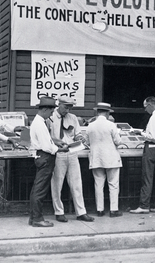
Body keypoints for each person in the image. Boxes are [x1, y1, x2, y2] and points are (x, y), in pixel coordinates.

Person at [49, 95, 94, 223]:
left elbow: (77, 133)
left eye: (70, 108)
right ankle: (59, 211)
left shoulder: (73, 118)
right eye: (65, 107)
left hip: (72, 153)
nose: (67, 110)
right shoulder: (51, 118)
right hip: (58, 153)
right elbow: (47, 136)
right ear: (59, 104)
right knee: (57, 184)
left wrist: (80, 138)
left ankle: (81, 212)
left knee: (76, 184)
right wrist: (56, 142)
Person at [29, 96, 68, 227]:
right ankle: (37, 219)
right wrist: (61, 149)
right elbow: (46, 146)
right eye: (51, 111)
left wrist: (55, 142)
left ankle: (33, 217)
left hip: (42, 156)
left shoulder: (40, 122)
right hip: (45, 156)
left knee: (37, 188)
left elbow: (47, 140)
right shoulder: (40, 124)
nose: (52, 114)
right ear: (45, 109)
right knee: (40, 189)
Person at [130, 97, 155, 214]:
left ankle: (144, 205)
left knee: (147, 177)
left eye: (145, 107)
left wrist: (139, 132)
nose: (145, 110)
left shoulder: (154, 118)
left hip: (151, 147)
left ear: (150, 105)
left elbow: (151, 136)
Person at [85, 102, 123, 217]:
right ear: (107, 113)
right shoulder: (111, 125)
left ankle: (100, 210)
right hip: (111, 158)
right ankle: (113, 209)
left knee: (98, 184)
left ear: (97, 112)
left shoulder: (90, 126)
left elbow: (87, 142)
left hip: (96, 158)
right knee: (113, 184)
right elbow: (118, 142)